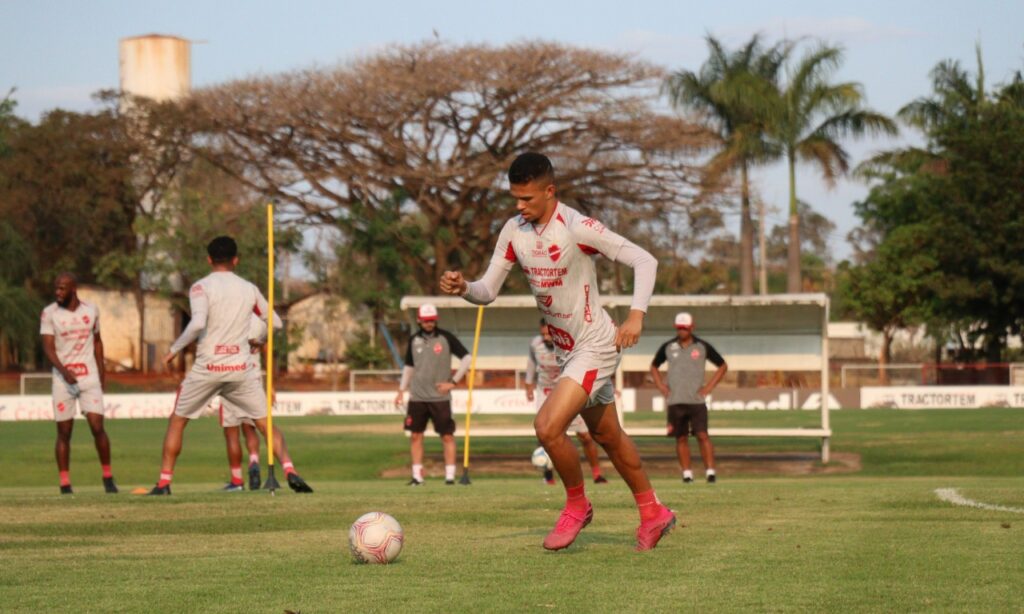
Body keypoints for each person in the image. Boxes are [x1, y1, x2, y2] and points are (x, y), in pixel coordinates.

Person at [439, 152, 675, 552]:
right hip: (569, 353)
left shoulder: (576, 226)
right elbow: (488, 291)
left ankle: (577, 505)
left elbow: (643, 260)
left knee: (547, 427)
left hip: (596, 344)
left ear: (550, 191)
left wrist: (636, 317)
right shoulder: (513, 231)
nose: (519, 206)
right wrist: (465, 288)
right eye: (514, 198)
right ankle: (654, 512)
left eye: (527, 199)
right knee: (609, 436)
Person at [149, 236, 312, 495]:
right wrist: (258, 339)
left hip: (208, 367)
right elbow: (276, 322)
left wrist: (174, 349)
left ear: (209, 259)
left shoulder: (201, 287)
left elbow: (199, 323)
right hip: (240, 369)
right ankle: (290, 469)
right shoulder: (248, 288)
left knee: (178, 421)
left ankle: (164, 483)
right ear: (236, 260)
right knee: (265, 425)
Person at [40, 273, 117, 495]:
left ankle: (108, 478)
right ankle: (65, 483)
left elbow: (98, 343)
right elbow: (48, 348)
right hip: (62, 380)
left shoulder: (91, 310)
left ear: (73, 289)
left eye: (62, 288)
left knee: (97, 427)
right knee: (64, 432)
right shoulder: (49, 313)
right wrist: (65, 372)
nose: (58, 292)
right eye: (56, 288)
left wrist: (102, 376)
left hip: (89, 377)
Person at [394, 304, 471, 486]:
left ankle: (450, 477)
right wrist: (401, 390)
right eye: (425, 320)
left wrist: (453, 382)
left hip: (440, 398)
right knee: (415, 436)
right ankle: (417, 477)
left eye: (432, 320)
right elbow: (409, 367)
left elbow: (467, 359)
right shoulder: (414, 340)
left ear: (435, 320)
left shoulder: (446, 337)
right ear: (420, 320)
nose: (429, 324)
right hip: (417, 397)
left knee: (447, 436)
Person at [525, 319, 607, 485]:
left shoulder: (568, 344)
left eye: (549, 334)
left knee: (584, 435)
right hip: (545, 391)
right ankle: (548, 476)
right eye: (543, 334)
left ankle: (597, 473)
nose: (546, 338)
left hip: (568, 392)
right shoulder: (535, 344)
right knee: (545, 433)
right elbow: (531, 362)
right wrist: (528, 384)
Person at [650, 312, 728, 484]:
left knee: (702, 435)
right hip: (675, 401)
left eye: (685, 328)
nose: (682, 331)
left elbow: (722, 365)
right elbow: (654, 366)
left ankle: (710, 472)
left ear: (692, 327)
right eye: (679, 328)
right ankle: (687, 474)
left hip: (697, 401)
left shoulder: (702, 346)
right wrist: (661, 386)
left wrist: (708, 387)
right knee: (681, 437)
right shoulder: (669, 347)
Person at [214, 313, 277, 492]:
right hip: (253, 380)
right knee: (251, 428)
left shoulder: (227, 321)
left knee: (231, 433)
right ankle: (254, 460)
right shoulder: (257, 324)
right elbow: (268, 352)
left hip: (230, 379)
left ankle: (237, 480)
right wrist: (271, 386)